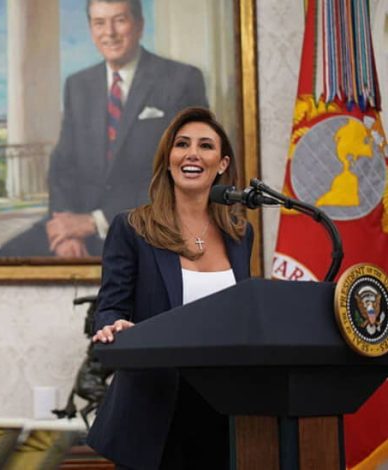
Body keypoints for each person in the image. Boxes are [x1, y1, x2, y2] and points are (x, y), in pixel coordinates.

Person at [86, 107, 253, 469]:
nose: (192, 153)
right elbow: (110, 307)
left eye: (205, 146)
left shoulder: (240, 234)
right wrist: (114, 326)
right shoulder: (132, 228)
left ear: (222, 164)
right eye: (182, 144)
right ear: (168, 159)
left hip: (225, 413)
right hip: (154, 414)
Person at [0, 0, 208, 258]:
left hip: (145, 227)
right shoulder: (78, 85)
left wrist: (96, 221)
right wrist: (66, 231)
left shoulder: (181, 80)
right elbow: (62, 166)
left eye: (120, 20)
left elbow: (186, 171)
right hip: (75, 223)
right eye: (99, 23)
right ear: (91, 30)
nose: (109, 33)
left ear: (139, 25)